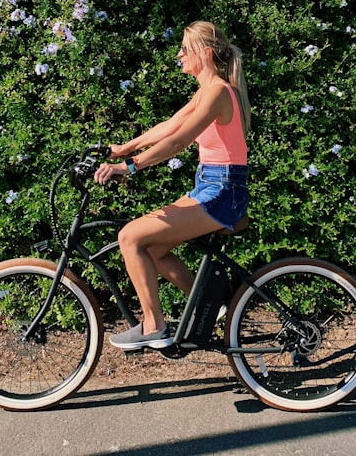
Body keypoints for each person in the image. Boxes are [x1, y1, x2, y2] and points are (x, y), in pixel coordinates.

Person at [94, 20, 251, 350]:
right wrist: (123, 148)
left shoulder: (219, 93)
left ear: (204, 53)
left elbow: (179, 140)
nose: (179, 55)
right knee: (153, 249)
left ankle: (153, 325)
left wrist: (129, 166)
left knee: (130, 236)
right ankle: (210, 306)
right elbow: (168, 126)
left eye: (185, 48)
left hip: (223, 191)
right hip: (211, 186)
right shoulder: (207, 91)